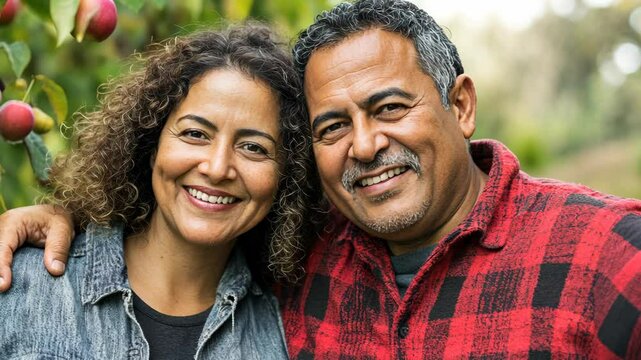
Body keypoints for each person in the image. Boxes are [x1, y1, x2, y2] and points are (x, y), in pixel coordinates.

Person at [2, 0, 641, 358]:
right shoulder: (306, 265)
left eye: (390, 108)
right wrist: (61, 216)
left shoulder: (609, 253)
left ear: (462, 105)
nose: (365, 145)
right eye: (333, 126)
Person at [0, 24, 319, 359]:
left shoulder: (286, 330)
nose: (217, 167)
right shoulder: (21, 283)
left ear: (288, 175)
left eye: (253, 147)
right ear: (151, 144)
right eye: (195, 134)